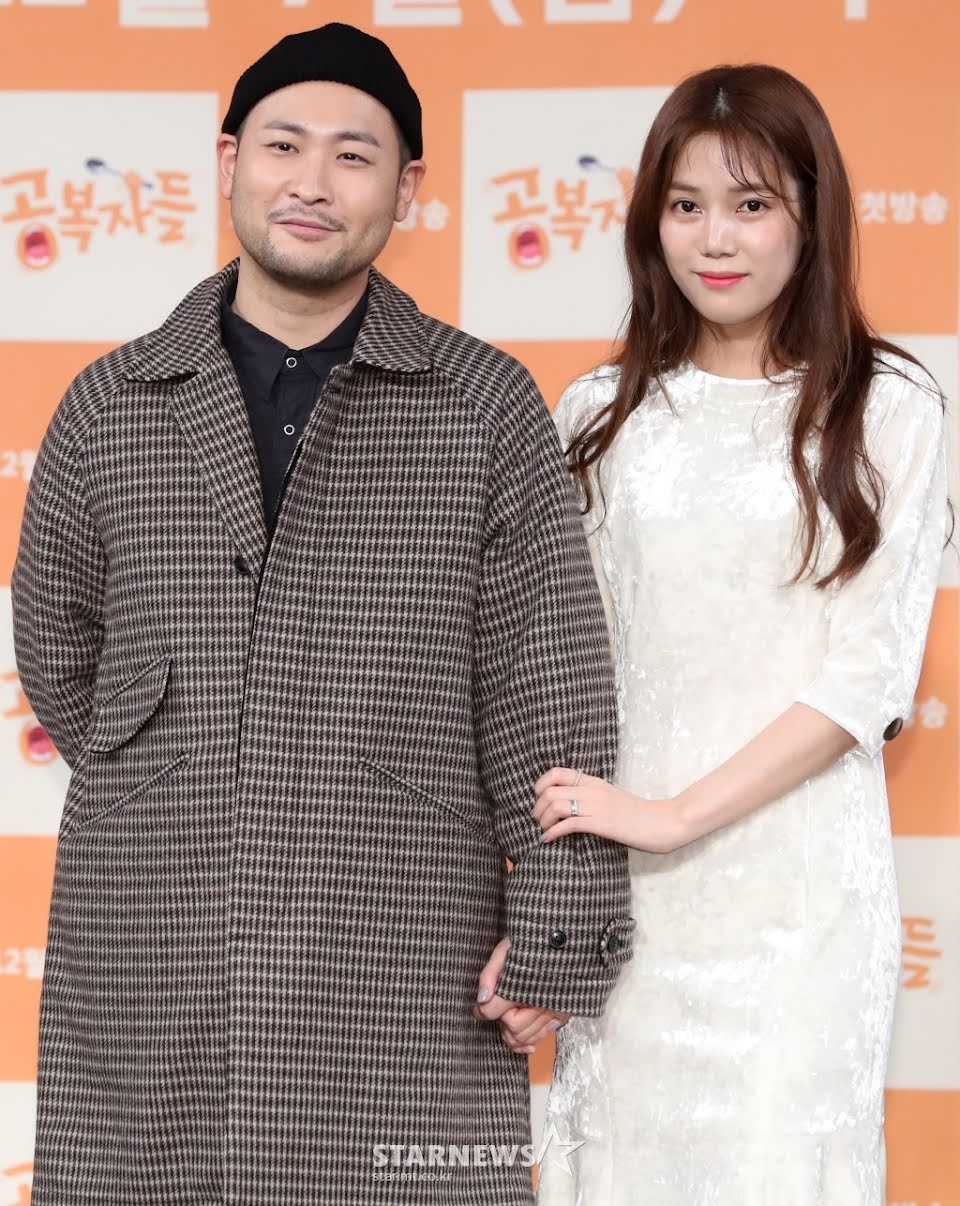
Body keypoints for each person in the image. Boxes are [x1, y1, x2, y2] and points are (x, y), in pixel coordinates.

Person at [11, 23, 635, 1205]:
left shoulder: (482, 405)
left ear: (407, 188)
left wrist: (560, 929)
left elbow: (548, 683)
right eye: (283, 145)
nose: (312, 181)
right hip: (155, 925)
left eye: (354, 155)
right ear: (229, 161)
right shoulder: (112, 402)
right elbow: (61, 648)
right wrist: (181, 765)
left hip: (404, 932)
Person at [529, 64, 950, 1205]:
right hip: (626, 912)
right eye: (686, 204)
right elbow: (563, 669)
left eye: (752, 204)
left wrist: (670, 817)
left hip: (797, 914)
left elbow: (868, 674)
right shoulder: (598, 416)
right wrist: (556, 902)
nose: (715, 238)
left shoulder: (889, 409)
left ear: (812, 219)